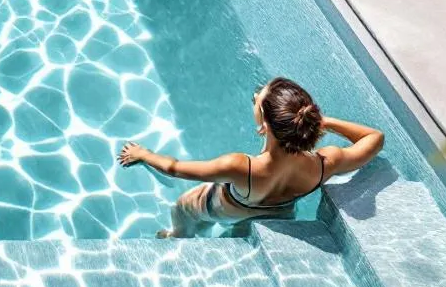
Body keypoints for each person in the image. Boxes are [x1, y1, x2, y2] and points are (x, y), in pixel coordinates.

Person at [117, 77, 384, 238]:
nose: (256, 96)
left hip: (218, 207)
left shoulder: (240, 167)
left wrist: (145, 154)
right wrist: (325, 122)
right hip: (277, 214)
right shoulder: (325, 163)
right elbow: (374, 138)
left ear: (265, 126)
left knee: (182, 209)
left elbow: (174, 168)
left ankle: (178, 237)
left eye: (258, 101)